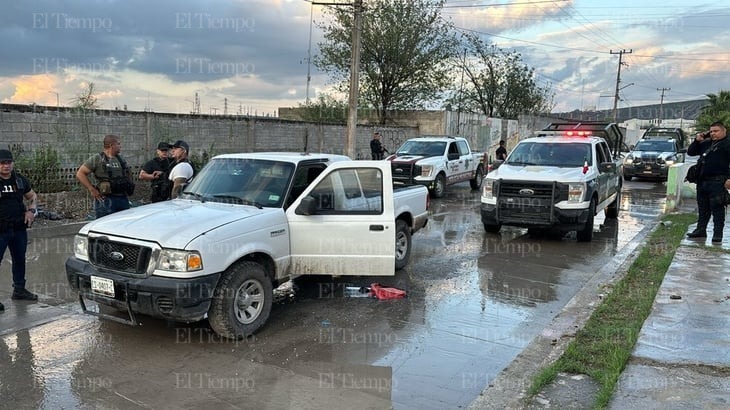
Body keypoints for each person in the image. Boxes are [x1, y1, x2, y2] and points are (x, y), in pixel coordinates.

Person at [0, 149, 39, 310]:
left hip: (18, 228)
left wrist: (31, 211)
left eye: (8, 162)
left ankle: (19, 290)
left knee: (19, 259)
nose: (6, 166)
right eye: (2, 163)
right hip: (0, 230)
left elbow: (33, 197)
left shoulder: (19, 180)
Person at [686, 121, 730, 242]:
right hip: (702, 181)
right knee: (703, 208)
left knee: (718, 209)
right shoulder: (707, 143)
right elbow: (690, 152)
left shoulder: (727, 144)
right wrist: (697, 140)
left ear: (724, 131)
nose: (713, 133)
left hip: (718, 182)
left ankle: (717, 235)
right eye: (711, 131)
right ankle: (701, 230)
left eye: (716, 131)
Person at [76, 134, 134, 218]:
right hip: (106, 200)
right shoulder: (97, 159)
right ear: (111, 145)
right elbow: (80, 173)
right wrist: (92, 189)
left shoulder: (121, 159)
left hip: (122, 198)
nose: (120, 146)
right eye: (118, 144)